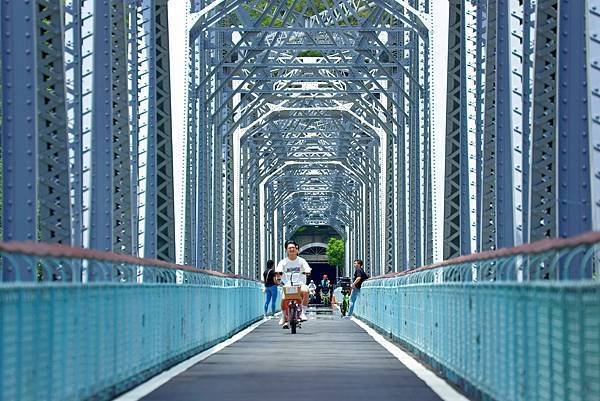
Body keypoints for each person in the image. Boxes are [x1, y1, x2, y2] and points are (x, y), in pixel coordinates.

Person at [276, 240, 311, 328]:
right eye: (289, 248)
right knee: (284, 298)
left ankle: (303, 312)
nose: (291, 249)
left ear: (296, 249)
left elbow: (307, 268)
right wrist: (279, 273)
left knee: (306, 291)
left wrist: (307, 271)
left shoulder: (301, 261)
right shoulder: (283, 262)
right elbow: (278, 270)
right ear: (286, 250)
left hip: (300, 284)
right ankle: (283, 316)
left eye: (293, 248)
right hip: (288, 284)